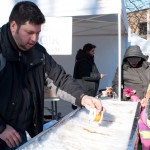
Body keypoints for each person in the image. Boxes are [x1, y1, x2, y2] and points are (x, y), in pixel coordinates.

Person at [0, 1, 103, 150]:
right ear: (13, 26)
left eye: (38, 33)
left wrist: (83, 97)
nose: (34, 39)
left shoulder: (38, 52)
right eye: (29, 32)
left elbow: (60, 79)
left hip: (22, 134)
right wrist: (1, 128)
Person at [112, 45, 150, 149]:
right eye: (130, 58)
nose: (133, 61)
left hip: (147, 105)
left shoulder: (148, 67)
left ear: (141, 57)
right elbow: (116, 85)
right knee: (133, 134)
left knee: (147, 133)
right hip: (132, 107)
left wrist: (148, 99)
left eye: (136, 58)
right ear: (126, 58)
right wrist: (127, 96)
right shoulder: (122, 69)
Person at [72, 43, 106, 110]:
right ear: (87, 51)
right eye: (92, 51)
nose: (94, 53)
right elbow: (85, 75)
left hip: (86, 90)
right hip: (85, 90)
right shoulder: (83, 61)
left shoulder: (86, 59)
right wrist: (98, 76)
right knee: (83, 110)